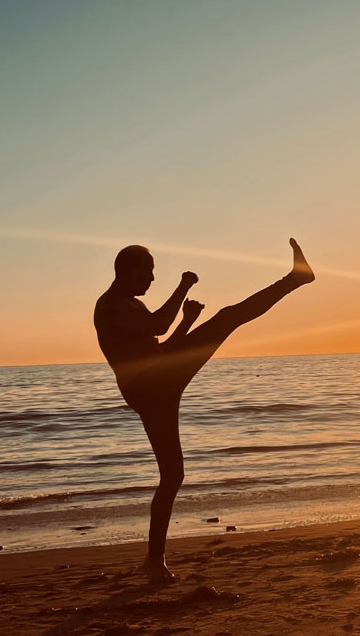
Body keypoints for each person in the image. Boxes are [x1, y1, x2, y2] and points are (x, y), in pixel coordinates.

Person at [94, 239, 315, 583]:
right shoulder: (112, 306)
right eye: (148, 272)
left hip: (158, 381)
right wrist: (183, 286)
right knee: (228, 317)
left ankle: (154, 562)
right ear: (129, 269)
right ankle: (295, 279)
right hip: (150, 385)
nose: (152, 280)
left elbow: (160, 345)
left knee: (172, 476)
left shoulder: (131, 307)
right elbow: (158, 328)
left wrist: (188, 321)